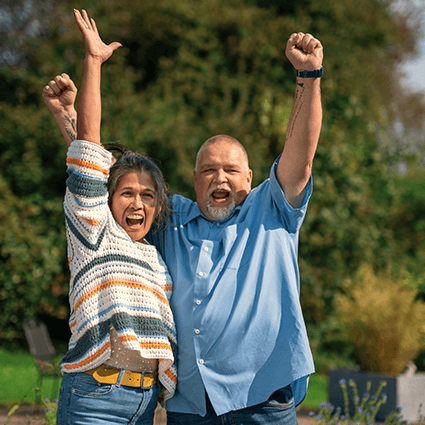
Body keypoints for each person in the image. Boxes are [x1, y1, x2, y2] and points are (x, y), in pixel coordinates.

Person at [46, 10, 323, 424]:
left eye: (231, 170)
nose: (220, 178)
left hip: (263, 403)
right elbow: (102, 176)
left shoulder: (271, 211)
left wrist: (309, 76)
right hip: (191, 408)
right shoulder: (170, 219)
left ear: (250, 178)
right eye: (209, 170)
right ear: (194, 179)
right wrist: (67, 119)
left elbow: (299, 161)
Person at [43, 9, 177, 425]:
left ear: (158, 208)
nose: (137, 204)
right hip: (94, 399)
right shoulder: (94, 231)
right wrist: (93, 64)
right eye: (127, 193)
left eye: (147, 196)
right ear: (107, 198)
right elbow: (89, 156)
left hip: (143, 404)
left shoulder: (155, 258)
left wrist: (65, 114)